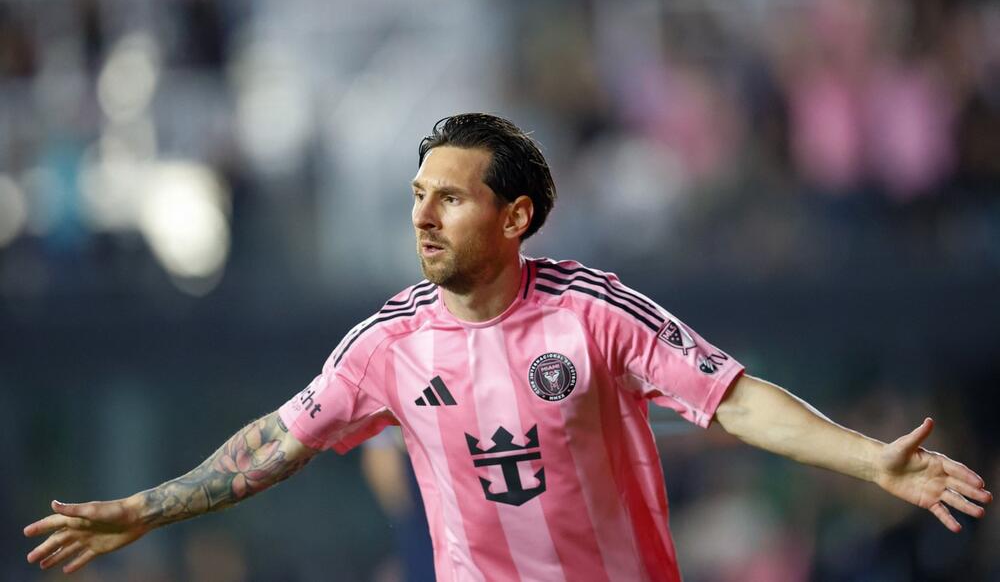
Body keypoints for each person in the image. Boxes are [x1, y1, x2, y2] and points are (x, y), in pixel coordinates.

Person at [24, 113, 992, 580]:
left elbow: (732, 400)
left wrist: (870, 459)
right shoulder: (388, 344)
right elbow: (274, 444)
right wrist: (144, 511)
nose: (423, 217)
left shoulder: (595, 313)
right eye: (417, 197)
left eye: (449, 198)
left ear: (515, 216)